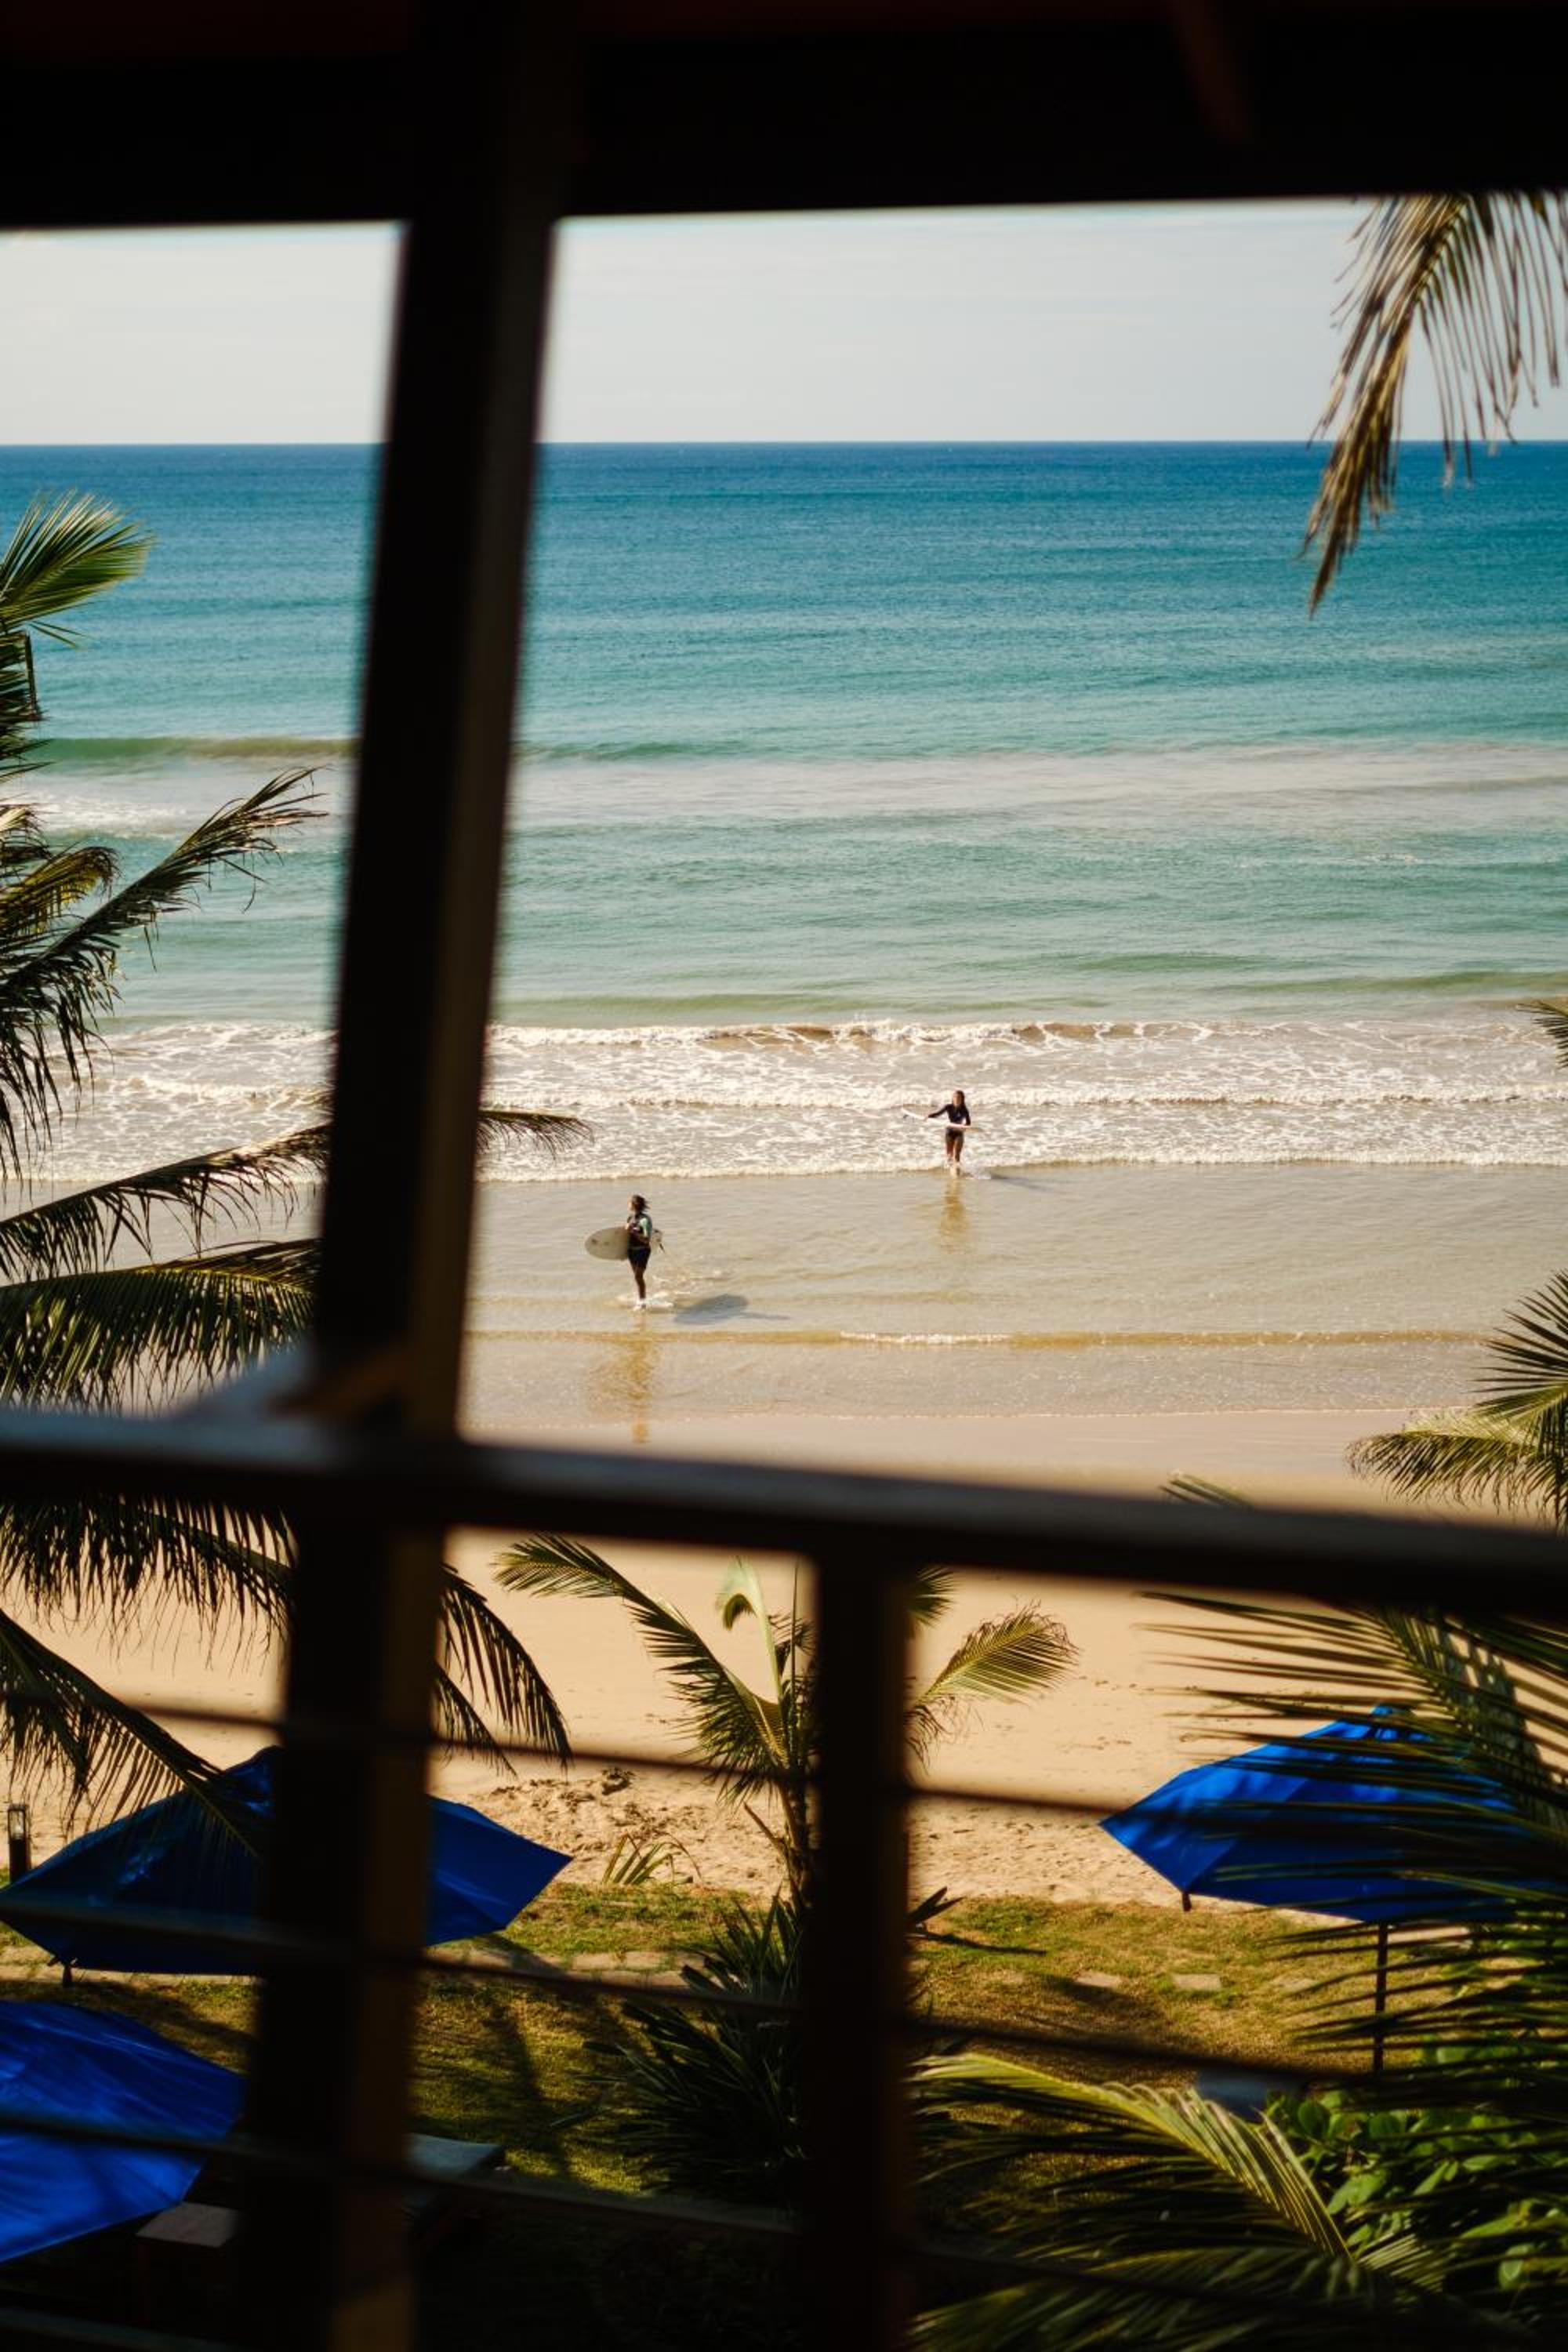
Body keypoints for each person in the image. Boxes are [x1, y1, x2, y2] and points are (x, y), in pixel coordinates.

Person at [927, 1088, 971, 1170]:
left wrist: (964, 1128)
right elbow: (937, 1114)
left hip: (959, 1132)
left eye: (959, 1098)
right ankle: (950, 1169)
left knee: (957, 1154)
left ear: (962, 1100)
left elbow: (968, 1123)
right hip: (949, 1132)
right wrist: (929, 1116)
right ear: (952, 1098)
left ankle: (957, 1170)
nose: (957, 1099)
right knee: (949, 1154)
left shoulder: (964, 1110)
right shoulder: (948, 1107)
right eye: (955, 1097)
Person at [626, 1193, 655, 1305]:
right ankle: (641, 1297)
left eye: (630, 1202)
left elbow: (647, 1240)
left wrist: (633, 1232)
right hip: (631, 1251)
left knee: (638, 1276)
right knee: (637, 1277)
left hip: (643, 1250)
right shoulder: (630, 1218)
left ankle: (642, 1303)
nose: (628, 1204)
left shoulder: (645, 1220)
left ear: (634, 1204)